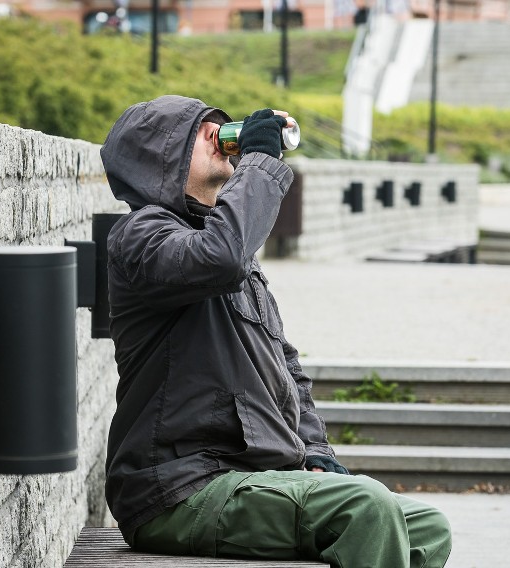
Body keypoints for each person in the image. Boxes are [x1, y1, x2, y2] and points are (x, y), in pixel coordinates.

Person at [99, 95, 452, 567]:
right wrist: (261, 162)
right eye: (203, 132)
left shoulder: (231, 246)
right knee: (367, 506)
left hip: (248, 476)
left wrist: (315, 454)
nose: (219, 136)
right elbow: (217, 258)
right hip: (178, 486)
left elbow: (284, 368)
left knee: (427, 527)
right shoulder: (142, 236)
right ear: (160, 156)